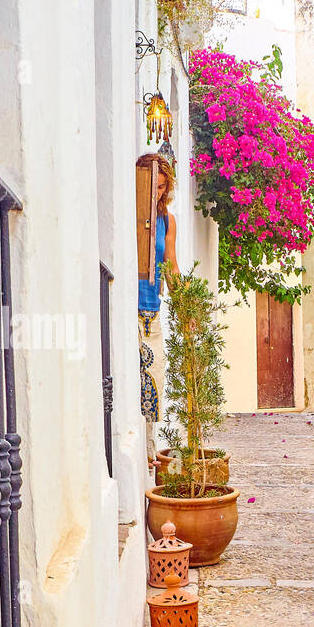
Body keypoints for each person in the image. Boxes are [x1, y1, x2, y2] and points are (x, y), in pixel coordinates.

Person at [136, 152, 179, 463]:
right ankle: (144, 452)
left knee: (155, 379)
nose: (157, 191)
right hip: (128, 310)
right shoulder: (129, 214)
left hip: (152, 311)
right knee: (133, 382)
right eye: (153, 184)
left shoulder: (167, 220)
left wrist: (186, 308)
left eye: (163, 187)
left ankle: (147, 450)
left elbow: (171, 266)